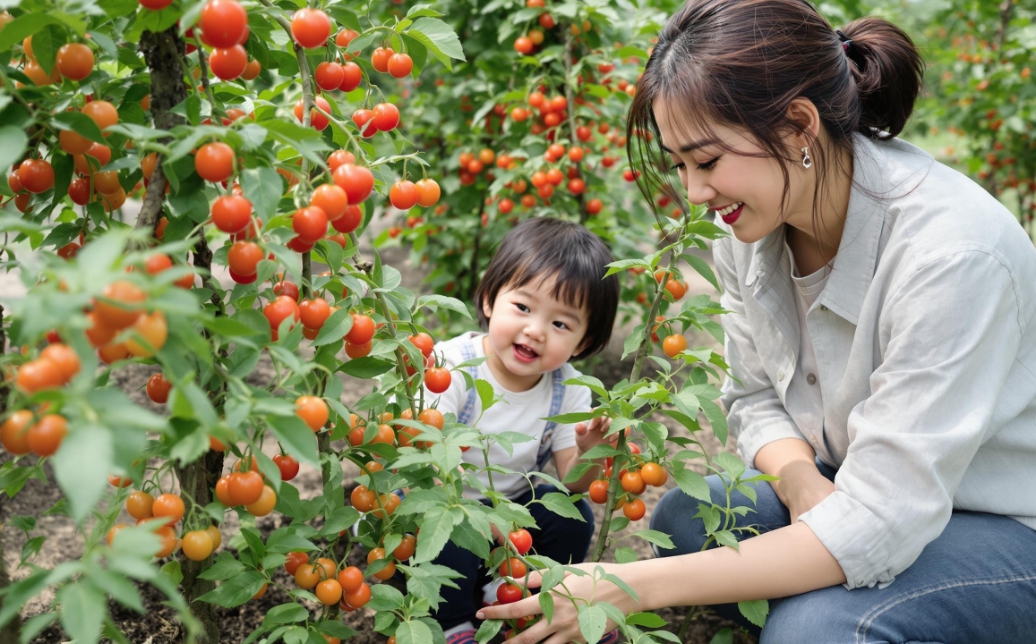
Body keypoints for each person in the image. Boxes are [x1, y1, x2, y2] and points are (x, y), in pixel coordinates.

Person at [478, 0, 1036, 641]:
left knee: (813, 630)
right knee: (689, 518)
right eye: (680, 164)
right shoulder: (750, 223)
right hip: (853, 479)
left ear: (799, 126)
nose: (694, 193)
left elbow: (884, 515)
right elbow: (753, 394)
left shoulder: (951, 255)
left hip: (1003, 524)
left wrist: (627, 586)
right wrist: (801, 485)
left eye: (708, 161)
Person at [424, 217, 621, 644]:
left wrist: (592, 451)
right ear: (489, 299)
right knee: (447, 527)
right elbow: (428, 461)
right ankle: (451, 622)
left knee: (572, 515)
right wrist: (479, 518)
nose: (535, 330)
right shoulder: (450, 367)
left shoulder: (568, 388)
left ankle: (523, 594)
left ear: (583, 343)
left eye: (561, 324)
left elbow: (573, 483)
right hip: (445, 505)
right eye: (524, 308)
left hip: (513, 514)